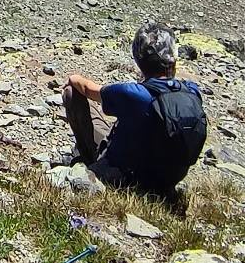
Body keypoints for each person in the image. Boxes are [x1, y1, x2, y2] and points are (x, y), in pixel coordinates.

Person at [62, 22, 206, 197]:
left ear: (139, 60)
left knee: (71, 94)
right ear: (173, 59)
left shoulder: (134, 94)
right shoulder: (192, 91)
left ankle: (89, 165)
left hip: (127, 179)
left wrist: (73, 77)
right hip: (167, 181)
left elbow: (86, 88)